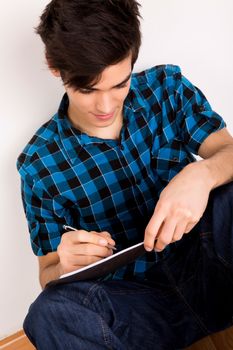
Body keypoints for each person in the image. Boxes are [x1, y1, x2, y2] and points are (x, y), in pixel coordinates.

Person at [16, 0, 233, 349]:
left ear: (132, 59)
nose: (105, 106)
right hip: (138, 309)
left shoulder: (167, 89)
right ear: (55, 68)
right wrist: (64, 265)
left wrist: (203, 174)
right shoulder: (38, 165)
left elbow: (230, 154)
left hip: (214, 270)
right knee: (47, 313)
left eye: (119, 84)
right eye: (88, 90)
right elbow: (48, 274)